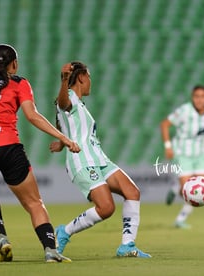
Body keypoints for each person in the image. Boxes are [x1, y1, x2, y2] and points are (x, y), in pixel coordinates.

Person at [0, 44, 80, 263]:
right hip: (6, 146)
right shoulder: (19, 83)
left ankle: (1, 237)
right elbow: (32, 116)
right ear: (15, 64)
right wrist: (65, 139)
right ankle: (50, 251)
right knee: (34, 202)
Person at [49, 61, 151, 258]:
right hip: (82, 160)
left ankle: (127, 246)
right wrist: (63, 81)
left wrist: (61, 143)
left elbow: (63, 123)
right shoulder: (68, 96)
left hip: (99, 158)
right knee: (106, 208)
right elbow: (62, 104)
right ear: (81, 77)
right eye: (89, 77)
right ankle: (65, 231)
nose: (90, 82)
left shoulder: (79, 105)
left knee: (132, 191)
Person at [160, 85, 204, 229]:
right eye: (196, 96)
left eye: (202, 96)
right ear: (192, 97)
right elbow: (164, 125)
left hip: (201, 154)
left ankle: (180, 219)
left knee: (199, 189)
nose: (199, 100)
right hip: (182, 153)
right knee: (186, 189)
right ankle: (176, 188)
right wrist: (168, 146)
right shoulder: (184, 111)